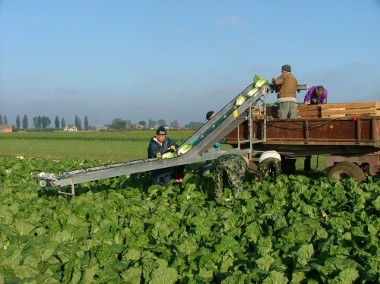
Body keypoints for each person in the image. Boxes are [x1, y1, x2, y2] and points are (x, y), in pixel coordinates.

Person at [202, 111, 223, 176]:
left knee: (218, 160)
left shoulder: (215, 124)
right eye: (213, 116)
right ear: (209, 117)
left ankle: (217, 174)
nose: (215, 116)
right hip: (210, 146)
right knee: (209, 161)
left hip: (216, 146)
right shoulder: (208, 126)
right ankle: (205, 175)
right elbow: (208, 136)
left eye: (215, 115)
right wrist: (215, 142)